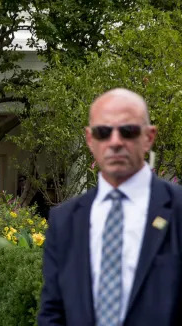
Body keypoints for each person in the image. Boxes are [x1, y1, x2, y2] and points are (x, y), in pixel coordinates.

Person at [38, 88, 182, 325]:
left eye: (128, 131)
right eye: (103, 132)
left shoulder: (177, 209)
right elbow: (53, 312)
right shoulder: (64, 220)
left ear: (149, 137)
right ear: (90, 139)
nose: (115, 142)